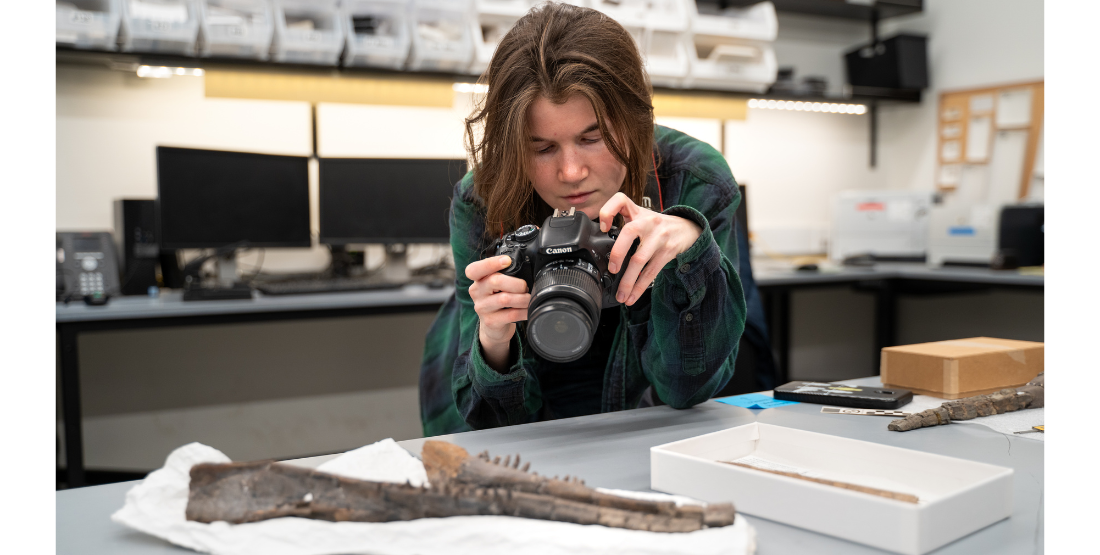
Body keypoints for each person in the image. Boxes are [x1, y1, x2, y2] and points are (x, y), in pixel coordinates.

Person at [419, 2, 748, 436]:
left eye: (591, 138)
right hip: (517, 425)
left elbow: (686, 390)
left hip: (642, 419)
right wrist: (494, 344)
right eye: (542, 148)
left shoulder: (694, 181)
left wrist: (690, 251)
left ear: (635, 121)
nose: (571, 172)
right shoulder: (484, 198)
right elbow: (496, 424)